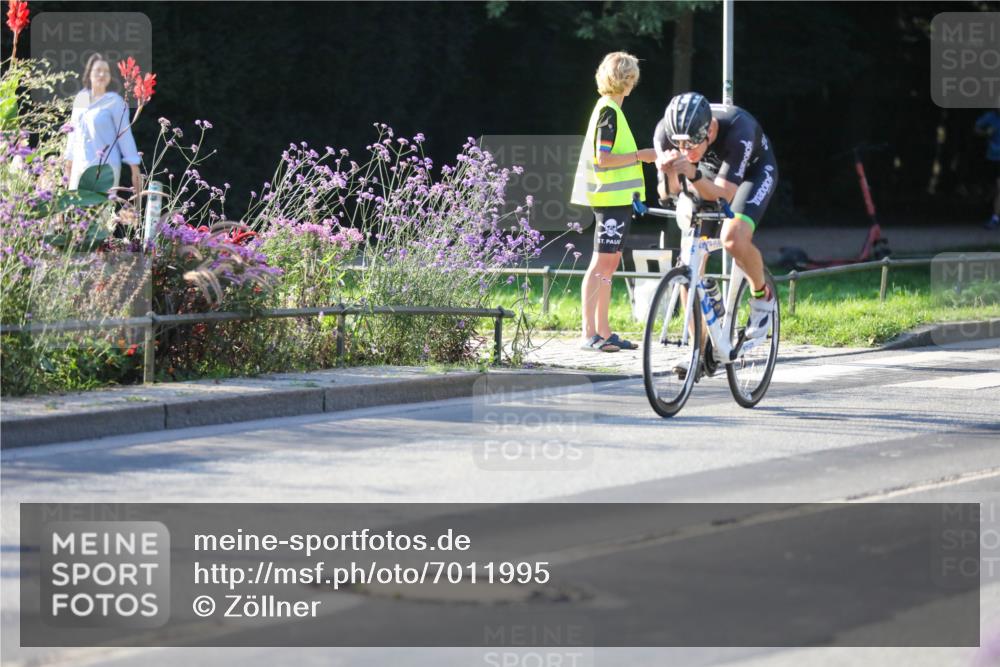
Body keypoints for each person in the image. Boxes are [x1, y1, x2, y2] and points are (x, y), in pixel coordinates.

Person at [654, 92, 778, 379]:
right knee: (688, 266)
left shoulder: (738, 129)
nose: (684, 150)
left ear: (709, 130)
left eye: (691, 144)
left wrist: (693, 175)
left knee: (732, 237)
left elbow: (724, 194)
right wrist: (671, 172)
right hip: (707, 173)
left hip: (751, 173)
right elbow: (667, 193)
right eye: (679, 144)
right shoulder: (665, 133)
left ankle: (762, 296)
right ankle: (700, 350)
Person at [570, 51, 658, 352]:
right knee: (601, 265)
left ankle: (603, 331)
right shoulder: (609, 111)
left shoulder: (609, 109)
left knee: (608, 265)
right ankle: (589, 334)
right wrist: (640, 156)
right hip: (610, 199)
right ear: (628, 81)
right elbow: (602, 158)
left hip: (616, 200)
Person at [63, 53, 142, 197]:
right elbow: (72, 132)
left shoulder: (115, 102)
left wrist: (134, 167)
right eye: (98, 70)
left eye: (106, 71)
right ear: (89, 74)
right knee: (77, 215)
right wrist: (68, 162)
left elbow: (125, 136)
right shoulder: (82, 97)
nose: (102, 74)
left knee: (100, 215)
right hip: (80, 166)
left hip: (105, 170)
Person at [974, 109, 1000, 230]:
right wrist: (986, 133)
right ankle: (993, 211)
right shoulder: (989, 117)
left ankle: (995, 218)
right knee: (994, 188)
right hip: (992, 158)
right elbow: (977, 129)